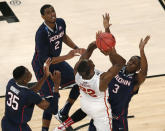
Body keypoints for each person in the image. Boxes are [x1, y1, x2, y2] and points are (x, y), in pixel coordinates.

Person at [53, 13, 150, 131]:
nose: (130, 63)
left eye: (134, 63)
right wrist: (106, 30)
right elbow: (111, 48)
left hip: (117, 119)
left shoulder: (135, 80)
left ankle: (63, 123)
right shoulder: (118, 68)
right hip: (101, 114)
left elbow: (144, 72)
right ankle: (63, 123)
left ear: (138, 68)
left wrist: (141, 50)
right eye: (130, 60)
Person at [53, 30, 126, 131]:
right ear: (91, 68)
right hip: (99, 110)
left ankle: (62, 126)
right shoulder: (101, 80)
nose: (90, 60)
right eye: (90, 62)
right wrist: (109, 49)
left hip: (86, 103)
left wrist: (98, 42)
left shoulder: (77, 75)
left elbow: (88, 51)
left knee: (85, 110)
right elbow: (120, 63)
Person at [31, 4, 85, 131]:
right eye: (48, 13)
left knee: (79, 82)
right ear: (43, 17)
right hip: (43, 66)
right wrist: (67, 56)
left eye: (53, 11)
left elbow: (63, 36)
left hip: (57, 60)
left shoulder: (60, 22)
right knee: (50, 100)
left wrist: (76, 48)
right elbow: (47, 60)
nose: (52, 14)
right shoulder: (41, 34)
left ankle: (64, 112)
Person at [1, 58, 61, 131]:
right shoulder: (29, 95)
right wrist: (56, 85)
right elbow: (53, 110)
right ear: (25, 80)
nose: (30, 73)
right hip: (18, 128)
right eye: (28, 73)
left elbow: (29, 92)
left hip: (6, 122)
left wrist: (45, 76)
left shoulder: (11, 82)